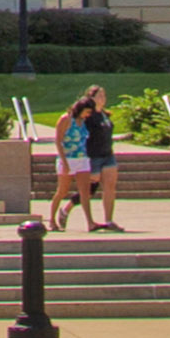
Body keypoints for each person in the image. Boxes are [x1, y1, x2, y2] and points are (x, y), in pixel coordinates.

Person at [54, 84, 119, 231]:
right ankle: (67, 208)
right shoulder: (88, 116)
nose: (103, 99)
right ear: (91, 97)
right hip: (92, 155)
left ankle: (109, 220)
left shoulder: (104, 114)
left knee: (109, 186)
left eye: (104, 95)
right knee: (88, 190)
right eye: (99, 96)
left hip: (107, 154)